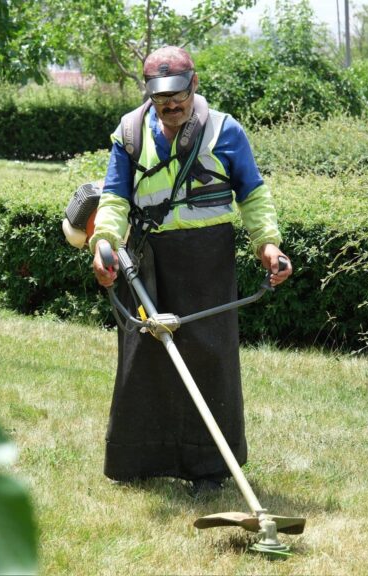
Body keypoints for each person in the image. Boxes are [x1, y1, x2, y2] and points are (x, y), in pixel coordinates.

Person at [89, 46, 292, 496]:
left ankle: (209, 470)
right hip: (147, 260)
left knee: (210, 361)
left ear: (194, 85)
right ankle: (139, 460)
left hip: (207, 262)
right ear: (149, 93)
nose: (171, 105)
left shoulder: (225, 130)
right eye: (161, 97)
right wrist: (103, 243)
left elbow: (253, 194)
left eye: (178, 94)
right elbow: (115, 197)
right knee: (144, 361)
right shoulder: (129, 133)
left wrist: (268, 244)